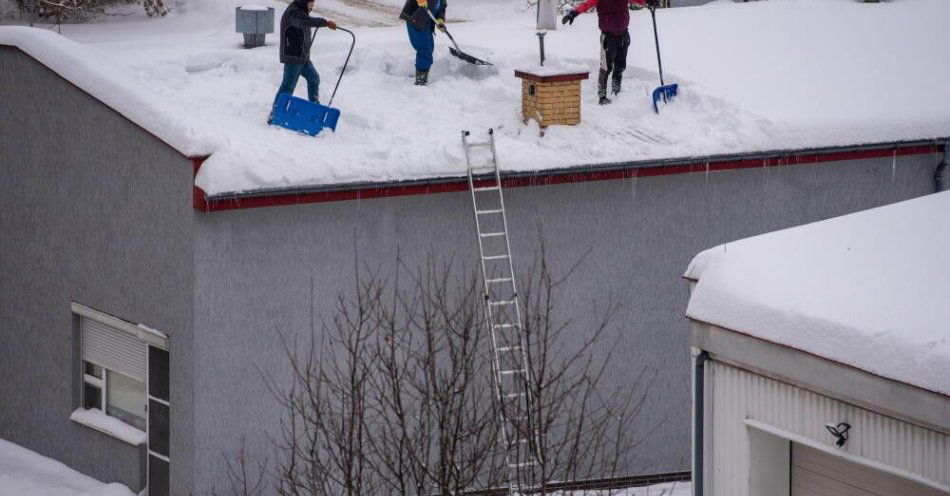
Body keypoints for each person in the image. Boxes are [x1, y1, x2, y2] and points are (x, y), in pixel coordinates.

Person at [562, 0, 658, 105]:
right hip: (608, 36)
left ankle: (616, 86)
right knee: (606, 66)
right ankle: (602, 96)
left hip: (623, 33)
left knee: (620, 64)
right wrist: (574, 13)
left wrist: (648, 1)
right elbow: (586, 5)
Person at [269, 0, 338, 123]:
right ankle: (274, 114)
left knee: (314, 79)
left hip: (303, 57)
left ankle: (315, 107)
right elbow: (303, 22)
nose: (313, 6)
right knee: (288, 86)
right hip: (293, 56)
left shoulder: (301, 11)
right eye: (311, 3)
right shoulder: (294, 12)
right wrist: (325, 23)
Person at [399, 0, 447, 86]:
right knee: (425, 50)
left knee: (429, 48)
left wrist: (440, 20)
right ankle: (421, 81)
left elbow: (442, 7)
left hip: (427, 22)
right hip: (416, 20)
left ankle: (421, 72)